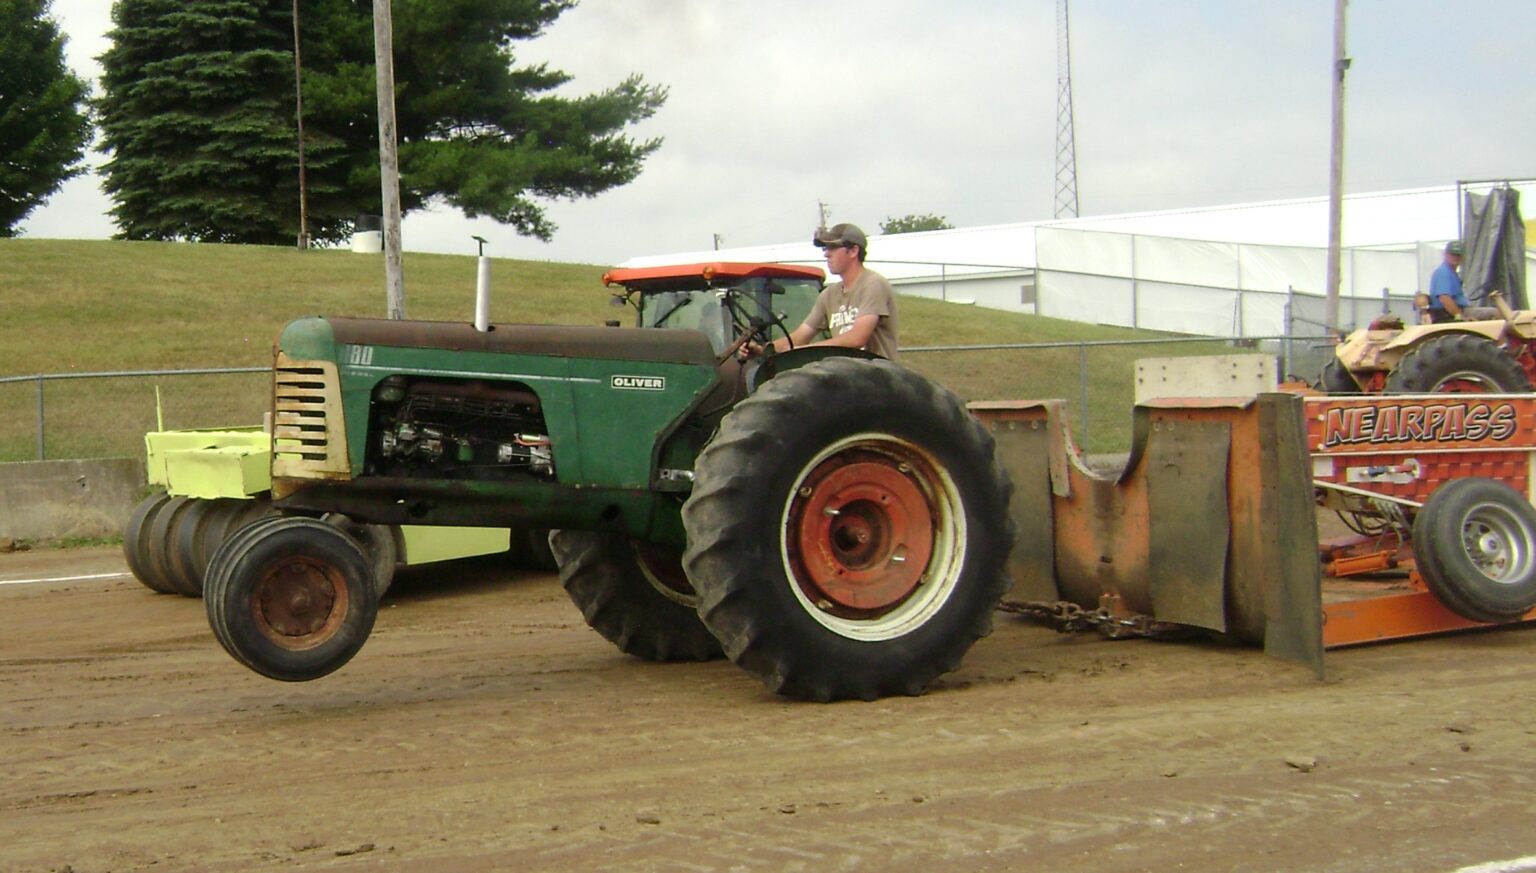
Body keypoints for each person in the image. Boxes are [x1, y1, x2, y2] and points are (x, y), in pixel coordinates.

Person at [743, 223, 898, 360]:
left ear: (853, 251)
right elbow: (799, 337)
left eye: (833, 248)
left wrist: (806, 350)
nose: (826, 254)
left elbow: (857, 338)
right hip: (848, 377)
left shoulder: (872, 284)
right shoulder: (829, 294)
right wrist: (763, 350)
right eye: (825, 248)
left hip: (879, 378)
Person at [1425, 241, 1469, 323]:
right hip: (1446, 314)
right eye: (1452, 254)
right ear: (1445, 254)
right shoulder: (1443, 272)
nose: (1455, 257)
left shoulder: (1452, 273)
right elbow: (1444, 298)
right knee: (1494, 313)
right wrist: (1459, 316)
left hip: (1457, 310)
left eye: (1458, 255)